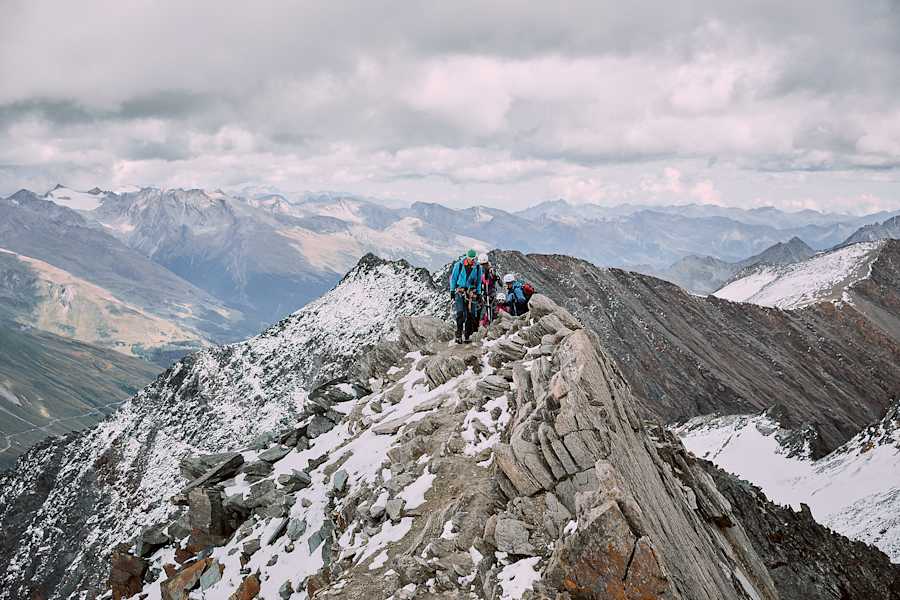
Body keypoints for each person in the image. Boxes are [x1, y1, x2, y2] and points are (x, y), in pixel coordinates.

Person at [449, 249, 483, 343]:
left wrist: (479, 293)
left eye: (473, 258)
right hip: (460, 292)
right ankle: (459, 335)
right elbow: (453, 279)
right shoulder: (458, 265)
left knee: (471, 315)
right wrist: (452, 291)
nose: (472, 260)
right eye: (470, 258)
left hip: (471, 293)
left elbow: (479, 281)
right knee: (460, 313)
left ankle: (467, 336)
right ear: (467, 257)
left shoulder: (478, 267)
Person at [478, 253, 499, 326]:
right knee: (483, 313)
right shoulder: (480, 271)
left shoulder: (491, 271)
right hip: (484, 295)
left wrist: (494, 275)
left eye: (483, 264)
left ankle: (492, 326)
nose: (482, 266)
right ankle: (482, 328)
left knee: (492, 312)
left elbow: (497, 280)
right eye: (481, 264)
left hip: (491, 294)